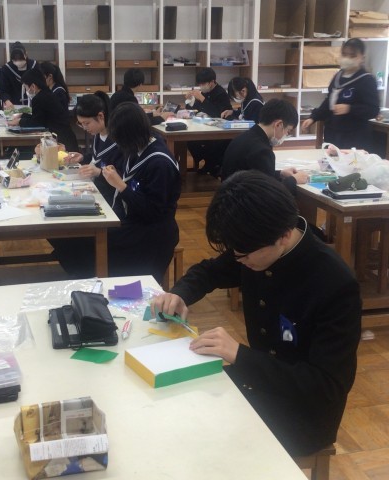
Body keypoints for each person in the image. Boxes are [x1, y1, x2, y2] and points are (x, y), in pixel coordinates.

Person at [152, 170, 361, 456]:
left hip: (303, 416)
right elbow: (210, 271)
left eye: (244, 255)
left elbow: (324, 387)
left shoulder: (335, 284)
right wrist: (179, 294)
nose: (239, 260)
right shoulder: (256, 244)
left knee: (195, 443)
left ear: (283, 235)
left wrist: (240, 355)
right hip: (259, 384)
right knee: (174, 404)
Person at [54, 102, 181, 283]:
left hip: (151, 233)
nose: (119, 145)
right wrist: (112, 176)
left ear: (132, 134)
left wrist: (121, 187)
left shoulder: (159, 162)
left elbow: (152, 211)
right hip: (130, 218)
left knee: (87, 244)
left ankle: (95, 280)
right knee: (75, 236)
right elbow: (123, 173)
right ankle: (84, 274)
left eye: (120, 140)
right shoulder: (138, 147)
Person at [301, 38, 380, 151]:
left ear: (362, 58)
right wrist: (313, 118)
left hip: (355, 136)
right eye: (344, 54)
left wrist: (350, 108)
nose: (347, 58)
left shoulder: (367, 80)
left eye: (352, 56)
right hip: (333, 133)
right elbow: (329, 101)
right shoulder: (338, 76)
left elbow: (373, 110)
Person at [221, 99, 309, 193]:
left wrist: (280, 174)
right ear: (278, 125)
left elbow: (258, 175)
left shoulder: (244, 137)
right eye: (288, 131)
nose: (286, 135)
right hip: (245, 200)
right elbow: (270, 194)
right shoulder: (262, 151)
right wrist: (293, 180)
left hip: (229, 197)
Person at [63, 91, 124, 206]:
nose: (84, 128)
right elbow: (97, 158)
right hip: (97, 190)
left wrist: (98, 172)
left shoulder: (119, 141)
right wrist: (83, 158)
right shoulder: (98, 134)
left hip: (112, 199)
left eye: (86, 123)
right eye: (81, 123)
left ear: (101, 116)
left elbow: (122, 177)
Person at [8, 68, 79, 152]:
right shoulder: (46, 93)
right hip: (64, 135)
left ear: (33, 86)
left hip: (61, 140)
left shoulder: (39, 98)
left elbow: (37, 122)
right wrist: (22, 115)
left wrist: (19, 121)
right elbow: (39, 117)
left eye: (26, 87)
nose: (26, 90)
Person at [185, 67, 232, 176]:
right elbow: (195, 109)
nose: (201, 86)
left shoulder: (221, 93)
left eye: (203, 83)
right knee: (189, 140)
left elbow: (217, 113)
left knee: (210, 144)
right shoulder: (204, 92)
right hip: (204, 125)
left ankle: (212, 164)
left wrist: (202, 99)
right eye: (199, 84)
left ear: (212, 82)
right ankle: (207, 162)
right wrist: (189, 100)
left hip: (219, 130)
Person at [1, 42, 37, 109]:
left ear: (26, 54)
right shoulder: (6, 69)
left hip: (33, 104)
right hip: (14, 106)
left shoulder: (34, 66)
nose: (18, 61)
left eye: (21, 58)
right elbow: (4, 89)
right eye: (15, 59)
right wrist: (7, 100)